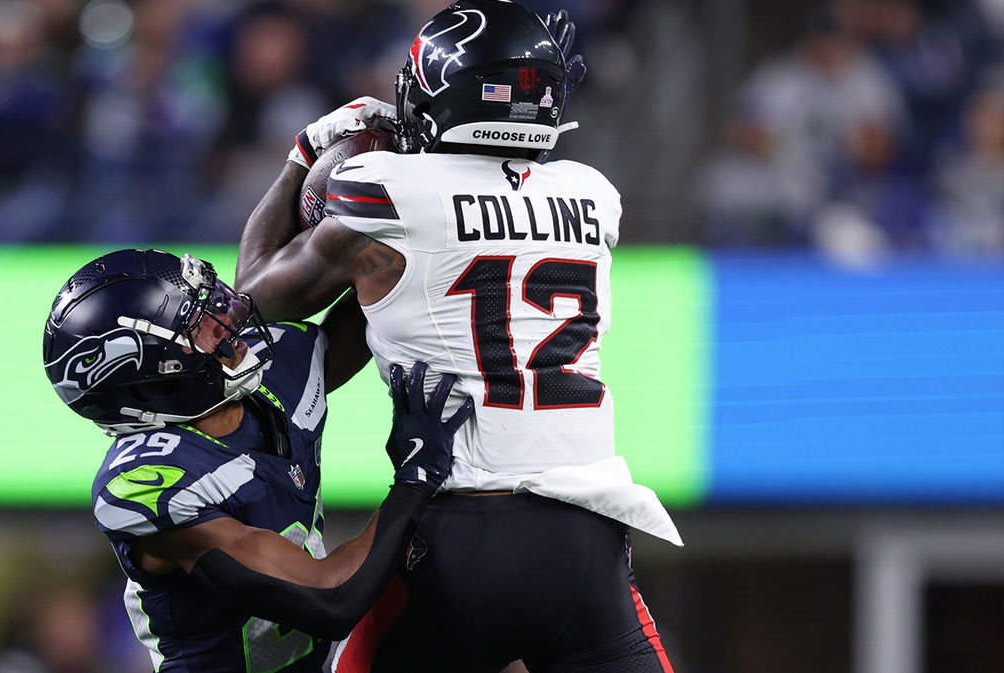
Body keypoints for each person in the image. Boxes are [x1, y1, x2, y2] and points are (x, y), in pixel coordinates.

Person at [235, 2, 682, 672]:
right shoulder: (593, 193)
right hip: (586, 537)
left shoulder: (388, 189)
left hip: (459, 532)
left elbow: (253, 293)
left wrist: (303, 154)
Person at [41, 248, 472, 672]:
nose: (228, 320)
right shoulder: (149, 480)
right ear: (156, 374)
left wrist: (390, 233)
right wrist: (415, 479)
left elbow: (383, 290)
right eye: (202, 326)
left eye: (213, 305)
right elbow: (330, 598)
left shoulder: (270, 376)